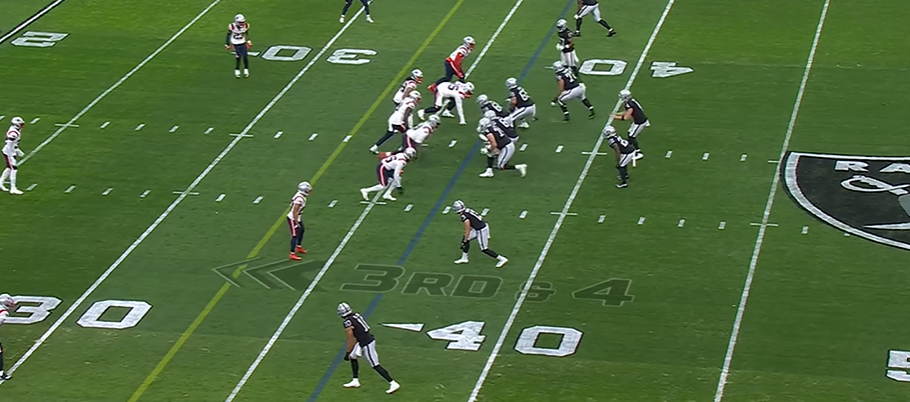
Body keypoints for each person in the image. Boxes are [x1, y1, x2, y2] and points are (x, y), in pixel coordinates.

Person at [338, 302, 400, 394]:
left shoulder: (347, 322)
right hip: (364, 340)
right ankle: (355, 380)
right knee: (353, 356)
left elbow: (351, 339)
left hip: (367, 343)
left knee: (375, 365)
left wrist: (347, 352)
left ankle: (393, 383)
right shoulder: (356, 315)